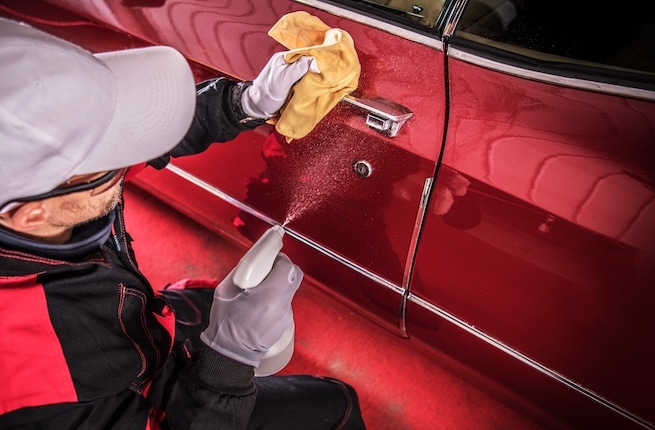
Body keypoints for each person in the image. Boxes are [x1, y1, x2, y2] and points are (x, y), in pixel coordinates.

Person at [0, 18, 365, 430]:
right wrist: (226, 365)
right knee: (336, 405)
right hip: (141, 407)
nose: (128, 157)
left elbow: (139, 136)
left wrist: (241, 104)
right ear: (31, 214)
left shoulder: (39, 194)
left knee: (206, 301)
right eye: (109, 160)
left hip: (126, 331)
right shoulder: (33, 386)